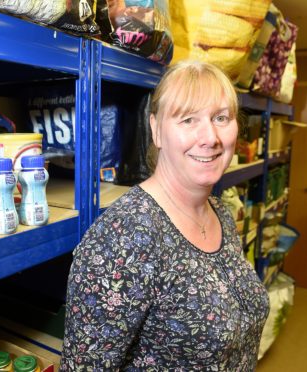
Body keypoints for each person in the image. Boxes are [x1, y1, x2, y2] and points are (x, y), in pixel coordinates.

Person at [60, 60, 270, 371]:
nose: (210, 137)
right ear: (156, 130)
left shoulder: (220, 212)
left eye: (221, 118)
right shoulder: (124, 237)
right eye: (188, 120)